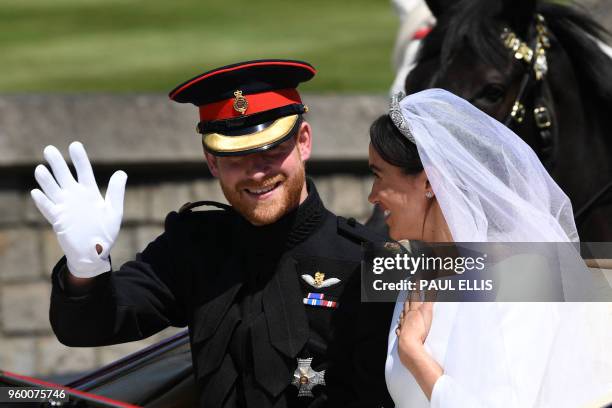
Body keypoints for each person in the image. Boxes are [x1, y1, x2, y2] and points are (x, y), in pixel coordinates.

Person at [31, 59, 395, 408]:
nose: (256, 173)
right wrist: (86, 267)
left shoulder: (368, 260)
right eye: (235, 158)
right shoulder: (195, 246)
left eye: (270, 151)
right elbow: (90, 328)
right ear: (211, 162)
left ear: (303, 142)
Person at [366, 88, 612, 407]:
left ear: (428, 182)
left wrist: (413, 354)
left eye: (379, 176)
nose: (372, 195)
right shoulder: (419, 282)